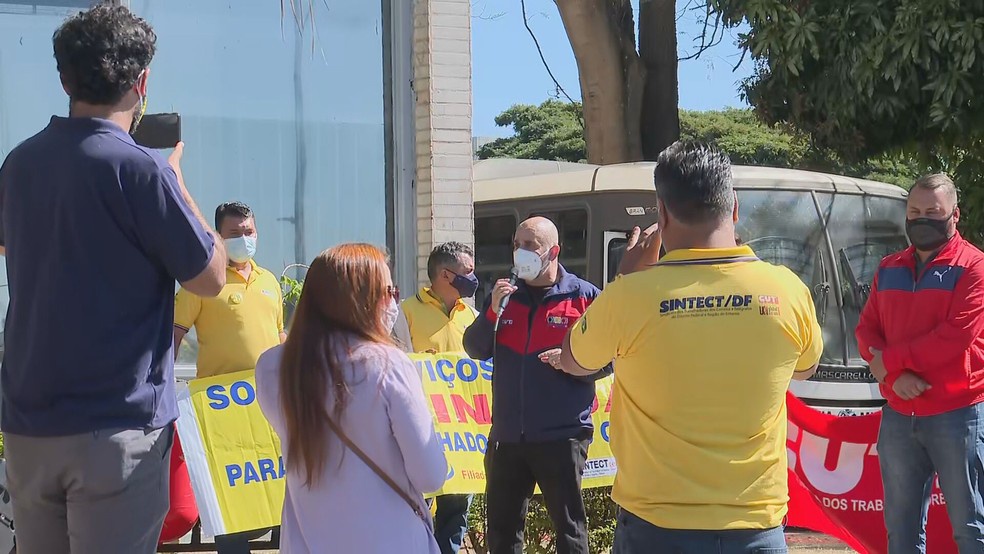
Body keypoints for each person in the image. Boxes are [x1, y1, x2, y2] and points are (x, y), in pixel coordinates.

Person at [0, 4, 227, 553]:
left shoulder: (19, 163)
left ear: (63, 78)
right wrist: (178, 184)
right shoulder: (143, 169)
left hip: (29, 424)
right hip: (116, 427)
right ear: (142, 80)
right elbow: (211, 277)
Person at [557, 141, 822, 554]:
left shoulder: (629, 297)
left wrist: (625, 281)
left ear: (661, 214)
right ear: (734, 207)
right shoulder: (787, 290)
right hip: (755, 526)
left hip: (655, 528)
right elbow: (804, 369)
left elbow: (574, 360)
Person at [255, 243, 447, 554]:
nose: (393, 302)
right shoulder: (389, 365)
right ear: (362, 299)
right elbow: (430, 476)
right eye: (388, 292)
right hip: (391, 540)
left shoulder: (271, 366)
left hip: (305, 541)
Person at [463, 216, 610, 554]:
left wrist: (574, 363)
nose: (521, 252)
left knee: (570, 531)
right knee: (501, 532)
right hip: (508, 437)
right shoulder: (505, 296)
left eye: (531, 246)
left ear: (553, 251)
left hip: (562, 436)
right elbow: (475, 348)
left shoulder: (584, 297)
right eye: (517, 244)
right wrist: (491, 313)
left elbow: (612, 356)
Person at [856, 173, 984, 552]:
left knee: (971, 527)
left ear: (954, 214)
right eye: (914, 211)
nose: (922, 218)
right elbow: (866, 330)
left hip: (958, 414)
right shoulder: (889, 266)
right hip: (898, 414)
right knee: (902, 531)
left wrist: (887, 364)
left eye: (933, 211)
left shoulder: (974, 267)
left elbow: (955, 337)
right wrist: (892, 377)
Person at [173, 201, 286, 552]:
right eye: (234, 234)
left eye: (248, 232)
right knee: (231, 503)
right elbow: (173, 335)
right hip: (221, 411)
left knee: (279, 493)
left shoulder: (270, 281)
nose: (243, 239)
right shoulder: (202, 281)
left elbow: (277, 335)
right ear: (218, 238)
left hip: (268, 405)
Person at [402, 242, 480, 554]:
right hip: (420, 431)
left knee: (456, 513)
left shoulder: (471, 316)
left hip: (463, 434)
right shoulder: (405, 313)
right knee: (414, 510)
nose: (474, 277)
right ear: (446, 275)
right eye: (468, 271)